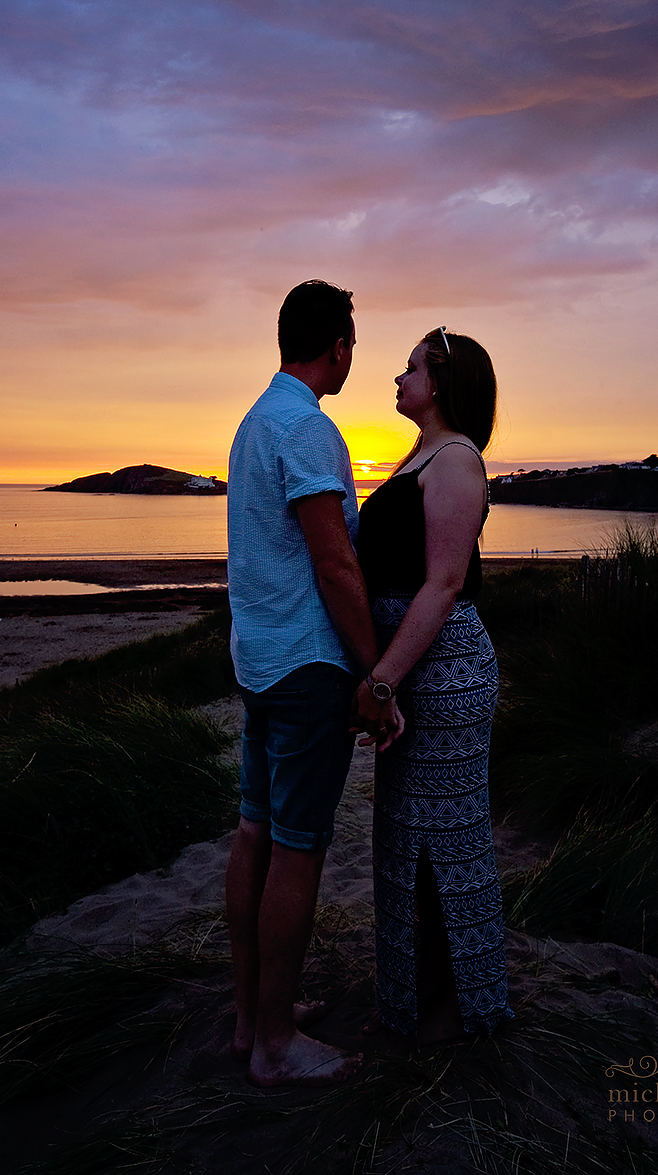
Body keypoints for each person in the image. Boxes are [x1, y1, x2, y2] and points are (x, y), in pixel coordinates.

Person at [224, 280, 404, 1088]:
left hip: (259, 662)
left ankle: (249, 1017)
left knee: (255, 832)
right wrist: (375, 671)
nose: (355, 358)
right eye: (354, 344)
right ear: (337, 347)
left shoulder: (255, 421)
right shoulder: (307, 428)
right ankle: (273, 1046)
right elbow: (334, 562)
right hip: (305, 667)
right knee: (297, 850)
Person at [355, 325, 511, 1043]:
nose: (397, 377)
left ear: (443, 382)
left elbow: (444, 583)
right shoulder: (425, 454)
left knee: (443, 844)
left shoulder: (455, 461)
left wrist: (384, 680)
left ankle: (460, 1009)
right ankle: (418, 998)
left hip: (440, 677)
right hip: (417, 674)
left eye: (411, 367)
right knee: (410, 840)